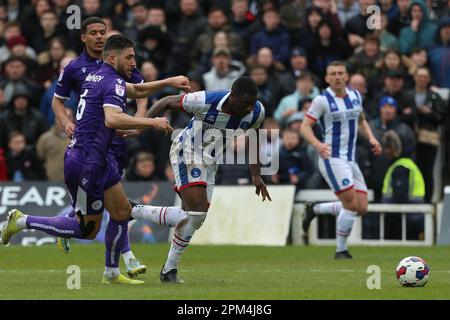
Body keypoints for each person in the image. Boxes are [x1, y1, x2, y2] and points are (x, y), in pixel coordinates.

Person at [0, 34, 184, 286]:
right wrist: (151, 122)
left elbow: (136, 89)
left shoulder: (100, 76)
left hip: (98, 159)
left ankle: (111, 272)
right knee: (87, 229)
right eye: (129, 57)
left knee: (120, 212)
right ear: (112, 57)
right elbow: (113, 119)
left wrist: (169, 81)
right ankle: (21, 221)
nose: (134, 62)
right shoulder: (111, 82)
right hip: (85, 163)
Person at [51, 17, 188, 277]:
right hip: (94, 145)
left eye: (103, 32)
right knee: (118, 207)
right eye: (93, 33)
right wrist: (66, 122)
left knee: (112, 206)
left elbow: (137, 90)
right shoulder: (76, 68)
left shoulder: (118, 65)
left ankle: (78, 234)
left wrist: (140, 120)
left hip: (116, 139)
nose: (99, 37)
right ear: (83, 37)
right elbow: (58, 101)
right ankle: (126, 257)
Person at [129, 77, 271, 283]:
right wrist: (143, 125)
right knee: (196, 210)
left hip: (211, 162)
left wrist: (256, 175)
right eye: (245, 103)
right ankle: (167, 268)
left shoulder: (256, 112)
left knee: (195, 218)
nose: (249, 108)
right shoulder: (206, 100)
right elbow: (166, 101)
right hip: (187, 151)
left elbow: (254, 139)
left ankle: (137, 217)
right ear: (232, 97)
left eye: (252, 103)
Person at [300, 61, 382, 259]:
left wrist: (371, 137)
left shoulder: (355, 96)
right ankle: (341, 250)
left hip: (350, 160)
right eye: (332, 74)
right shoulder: (322, 100)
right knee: (351, 204)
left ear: (347, 76)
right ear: (327, 78)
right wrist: (318, 145)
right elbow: (304, 127)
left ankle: (315, 208)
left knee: (361, 207)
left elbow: (361, 120)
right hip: (332, 158)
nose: (337, 76)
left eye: (340, 73)